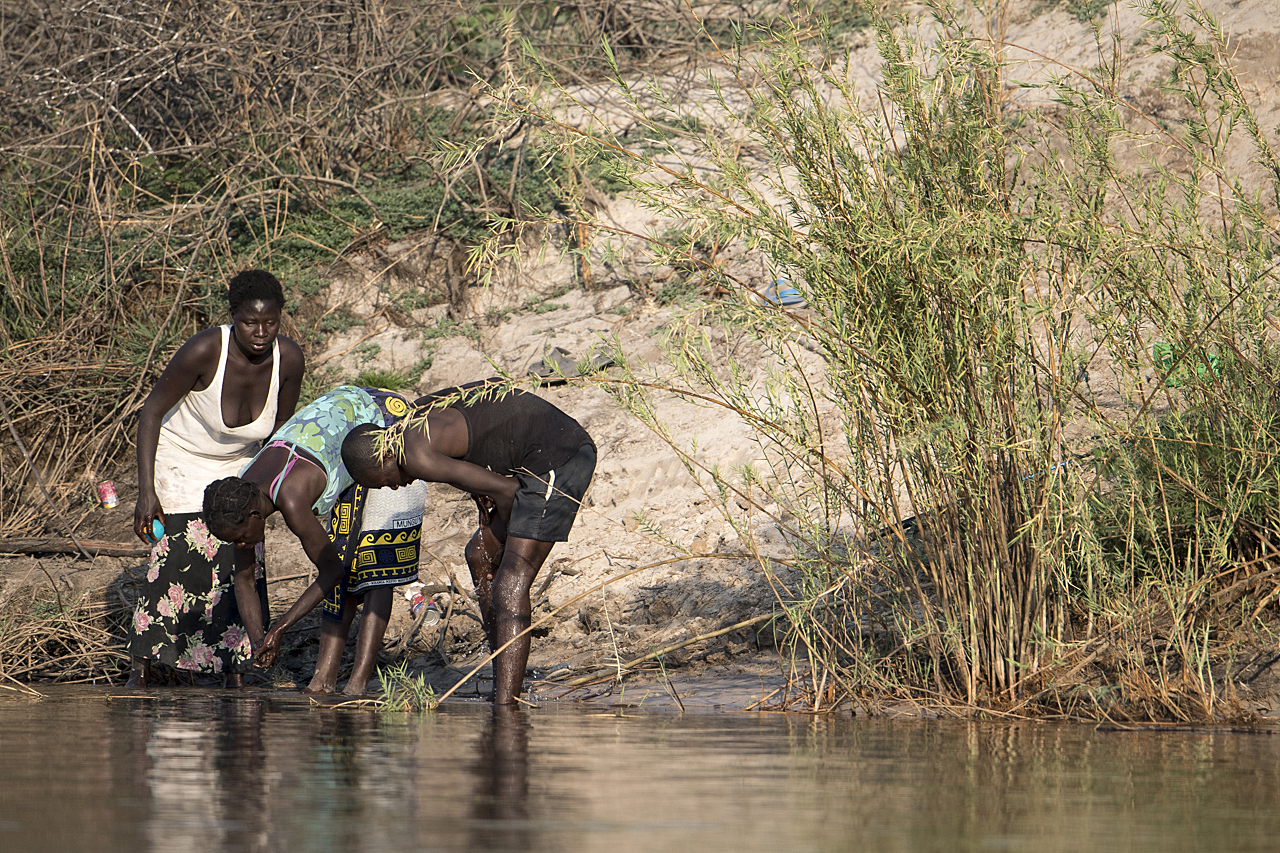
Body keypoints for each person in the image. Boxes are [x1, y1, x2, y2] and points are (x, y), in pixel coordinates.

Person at [340, 381, 595, 706]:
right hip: (528, 458)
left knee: (509, 583)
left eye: (386, 481)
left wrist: (504, 541)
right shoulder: (411, 418)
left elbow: (504, 492)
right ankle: (503, 670)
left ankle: (506, 705)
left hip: (558, 457)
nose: (393, 487)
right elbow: (481, 420)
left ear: (387, 454)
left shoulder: (416, 456)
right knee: (477, 555)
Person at [127, 270, 304, 688]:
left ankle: (240, 665)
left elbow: (281, 434)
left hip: (239, 463)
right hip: (181, 457)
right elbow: (150, 412)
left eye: (270, 322)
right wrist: (146, 492)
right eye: (249, 322)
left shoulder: (289, 359)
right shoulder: (206, 349)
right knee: (176, 557)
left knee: (241, 554)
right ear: (232, 317)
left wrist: (265, 496)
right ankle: (146, 668)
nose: (260, 333)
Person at [201, 384, 436, 696]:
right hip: (346, 435)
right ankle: (322, 681)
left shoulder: (292, 497)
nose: (241, 546)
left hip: (386, 427)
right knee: (345, 551)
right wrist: (259, 639)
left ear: (255, 517)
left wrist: (281, 627)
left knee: (376, 563)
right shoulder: (241, 495)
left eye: (242, 539)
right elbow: (244, 579)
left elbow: (331, 572)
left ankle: (357, 685)